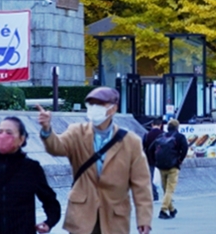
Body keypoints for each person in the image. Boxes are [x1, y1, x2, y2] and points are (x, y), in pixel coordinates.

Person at [36, 87, 153, 234]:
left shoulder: (131, 142)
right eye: (91, 104)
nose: (94, 108)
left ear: (113, 109)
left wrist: (144, 219)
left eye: (100, 104)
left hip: (114, 217)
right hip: (81, 215)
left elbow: (141, 184)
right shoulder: (76, 132)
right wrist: (47, 129)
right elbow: (57, 147)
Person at [0, 115, 61, 234]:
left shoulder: (31, 168)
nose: (2, 136)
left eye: (9, 132)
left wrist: (49, 222)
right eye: (0, 132)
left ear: (21, 139)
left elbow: (49, 199)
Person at [151, 118, 189, 219]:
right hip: (173, 166)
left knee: (165, 189)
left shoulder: (161, 136)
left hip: (161, 166)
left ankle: (172, 209)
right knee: (170, 190)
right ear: (177, 127)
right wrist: (180, 160)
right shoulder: (180, 137)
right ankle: (163, 210)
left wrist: (155, 161)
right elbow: (185, 149)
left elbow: (151, 149)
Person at [140, 119, 162, 202]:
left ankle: (154, 194)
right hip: (162, 159)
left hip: (150, 159)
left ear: (152, 125)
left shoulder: (147, 134)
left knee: (150, 177)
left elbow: (142, 147)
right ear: (160, 125)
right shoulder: (164, 134)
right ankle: (168, 194)